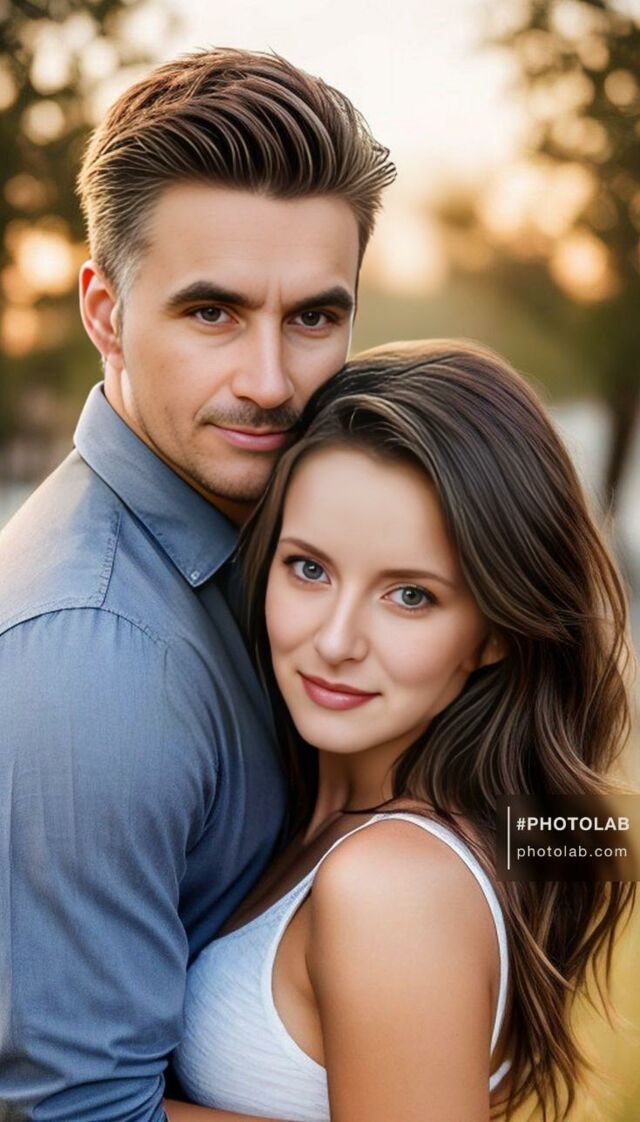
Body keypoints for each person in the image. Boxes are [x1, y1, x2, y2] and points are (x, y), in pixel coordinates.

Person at [0, 49, 395, 1120]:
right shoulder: (92, 661)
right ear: (105, 311)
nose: (270, 383)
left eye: (314, 318)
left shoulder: (289, 550)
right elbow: (78, 1114)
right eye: (211, 312)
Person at [167, 340, 635, 1122]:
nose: (336, 641)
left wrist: (90, 1101)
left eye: (410, 596)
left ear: (495, 632)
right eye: (309, 568)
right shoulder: (325, 816)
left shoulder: (393, 886)